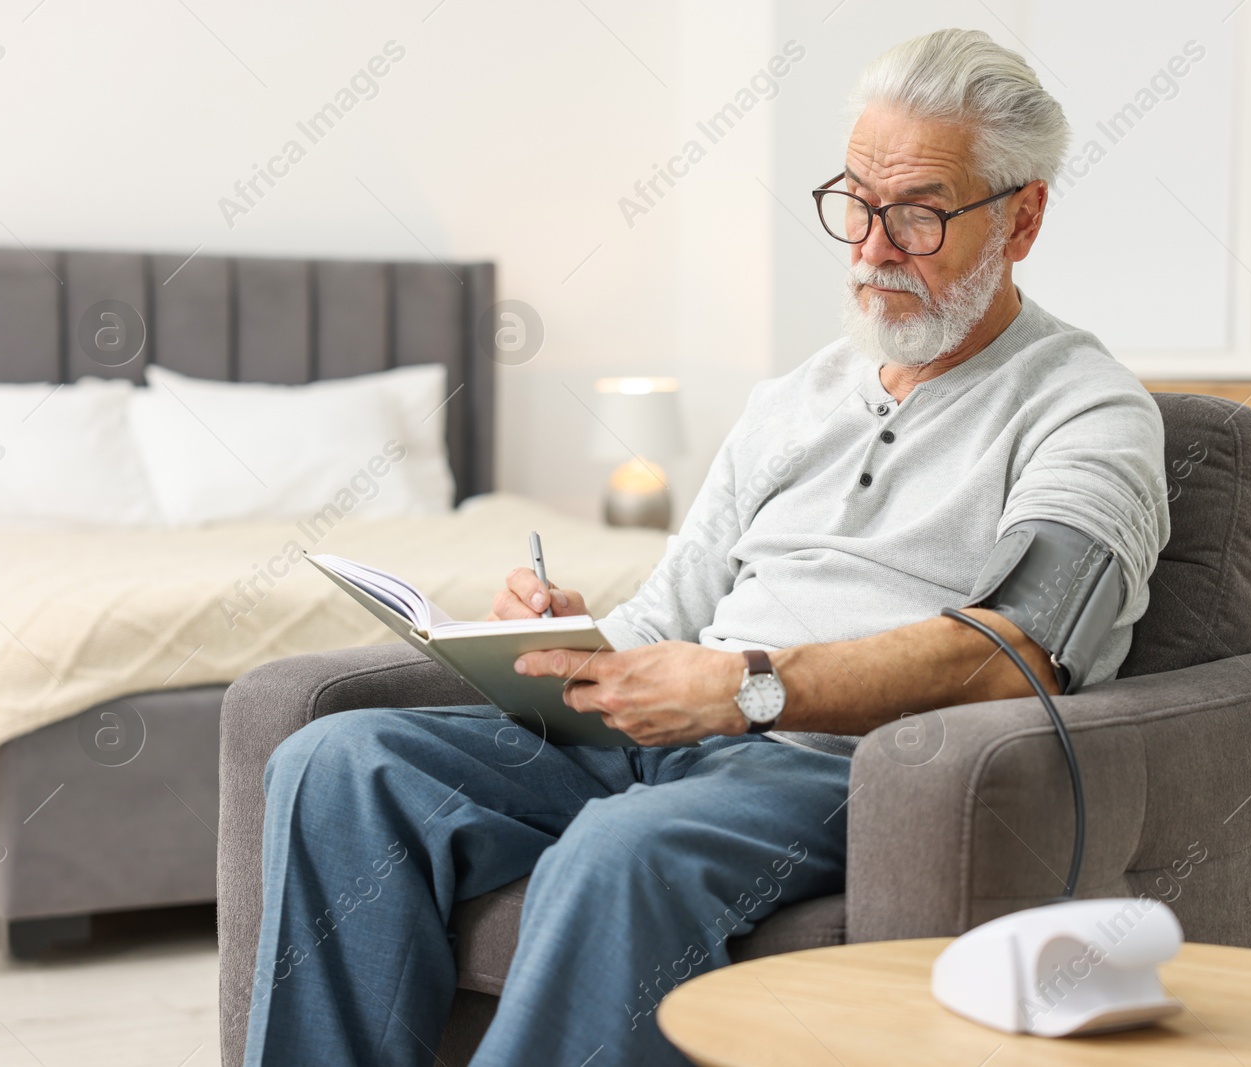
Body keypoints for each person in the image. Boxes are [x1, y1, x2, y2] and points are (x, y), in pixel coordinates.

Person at [243, 26, 1168, 1067]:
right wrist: (574, 642)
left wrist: (747, 687)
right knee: (338, 757)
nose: (869, 249)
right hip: (672, 733)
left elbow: (1017, 652)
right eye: (854, 204)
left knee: (620, 849)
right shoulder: (793, 400)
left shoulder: (1088, 410)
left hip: (838, 763)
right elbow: (667, 613)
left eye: (915, 215)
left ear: (1023, 217)